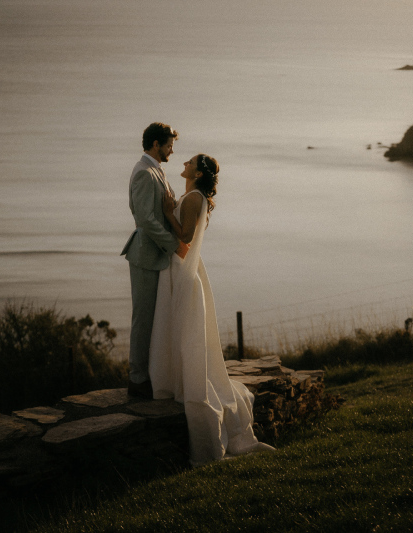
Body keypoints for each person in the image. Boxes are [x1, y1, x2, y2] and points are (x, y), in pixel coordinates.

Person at [149, 154, 275, 465]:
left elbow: (186, 238)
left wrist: (167, 212)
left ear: (199, 172)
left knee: (184, 331)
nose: (185, 162)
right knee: (183, 331)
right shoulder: (195, 196)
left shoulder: (193, 196)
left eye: (190, 161)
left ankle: (187, 390)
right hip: (181, 269)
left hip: (181, 267)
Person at [121, 122, 187, 399]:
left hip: (154, 255)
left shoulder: (155, 171)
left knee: (155, 317)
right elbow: (145, 219)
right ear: (156, 144)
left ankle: (153, 373)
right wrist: (173, 244)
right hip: (147, 255)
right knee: (144, 318)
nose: (173, 149)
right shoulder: (145, 174)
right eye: (169, 144)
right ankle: (138, 379)